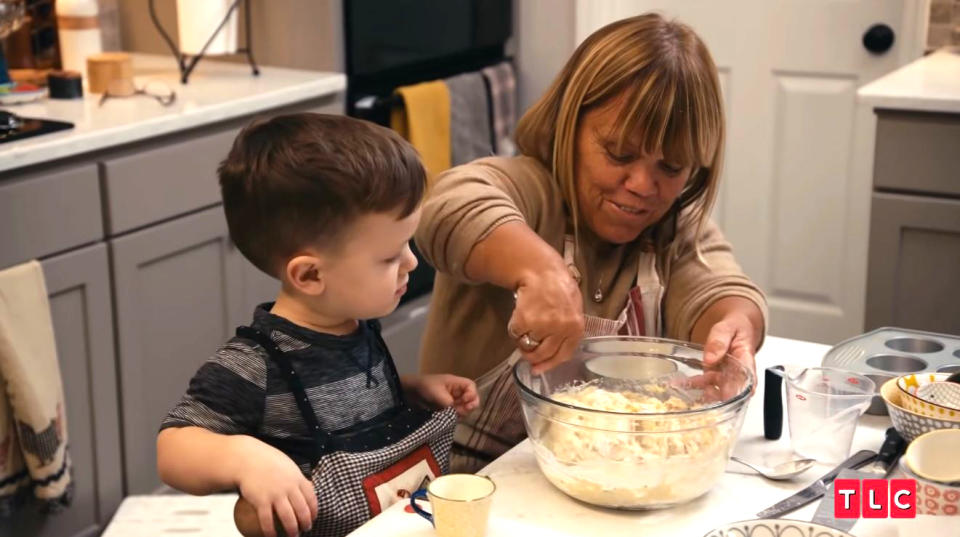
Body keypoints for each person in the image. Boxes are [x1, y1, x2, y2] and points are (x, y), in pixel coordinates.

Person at [414, 13, 767, 472]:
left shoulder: (673, 230)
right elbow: (449, 204)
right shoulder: (529, 190)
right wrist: (538, 271)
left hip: (610, 472)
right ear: (569, 124)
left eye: (671, 167)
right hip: (467, 481)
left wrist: (734, 327)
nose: (642, 184)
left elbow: (719, 284)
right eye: (619, 153)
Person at [156, 114, 479, 537]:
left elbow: (350, 404)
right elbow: (173, 449)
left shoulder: (356, 327)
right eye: (389, 256)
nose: (411, 262)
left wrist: (413, 388)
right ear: (309, 276)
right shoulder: (256, 364)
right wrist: (246, 458)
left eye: (407, 244)